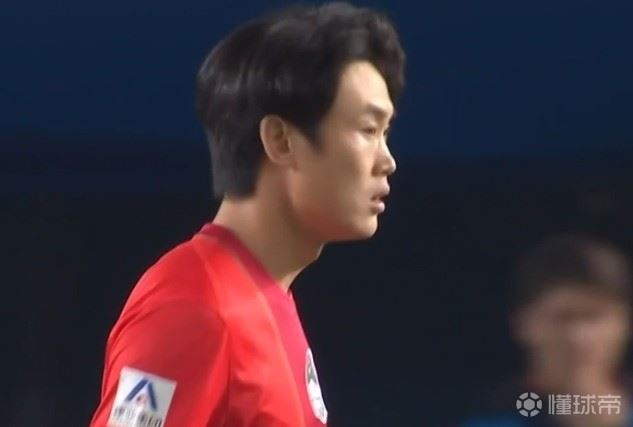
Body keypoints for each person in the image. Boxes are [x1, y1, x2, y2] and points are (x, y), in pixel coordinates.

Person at [90, 2, 405, 426]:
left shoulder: (264, 296)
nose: (387, 161)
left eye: (385, 133)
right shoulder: (195, 307)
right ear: (280, 140)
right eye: (368, 130)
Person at [461, 234, 633, 427]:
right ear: (524, 323)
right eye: (562, 318)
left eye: (593, 317)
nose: (578, 337)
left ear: (625, 322)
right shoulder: (490, 420)